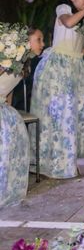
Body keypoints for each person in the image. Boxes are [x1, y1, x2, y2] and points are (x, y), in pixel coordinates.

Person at [30, 0, 84, 179]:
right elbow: (68, 23)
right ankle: (58, 162)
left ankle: (78, 160)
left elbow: (78, 50)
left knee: (81, 113)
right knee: (62, 115)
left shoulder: (83, 19)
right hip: (58, 69)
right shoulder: (63, 10)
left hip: (76, 68)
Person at [0, 27, 46, 207]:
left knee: (16, 132)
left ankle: (9, 188)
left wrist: (8, 109)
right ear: (26, 42)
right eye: (39, 40)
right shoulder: (8, 58)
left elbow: (8, 89)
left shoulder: (23, 63)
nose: (42, 44)